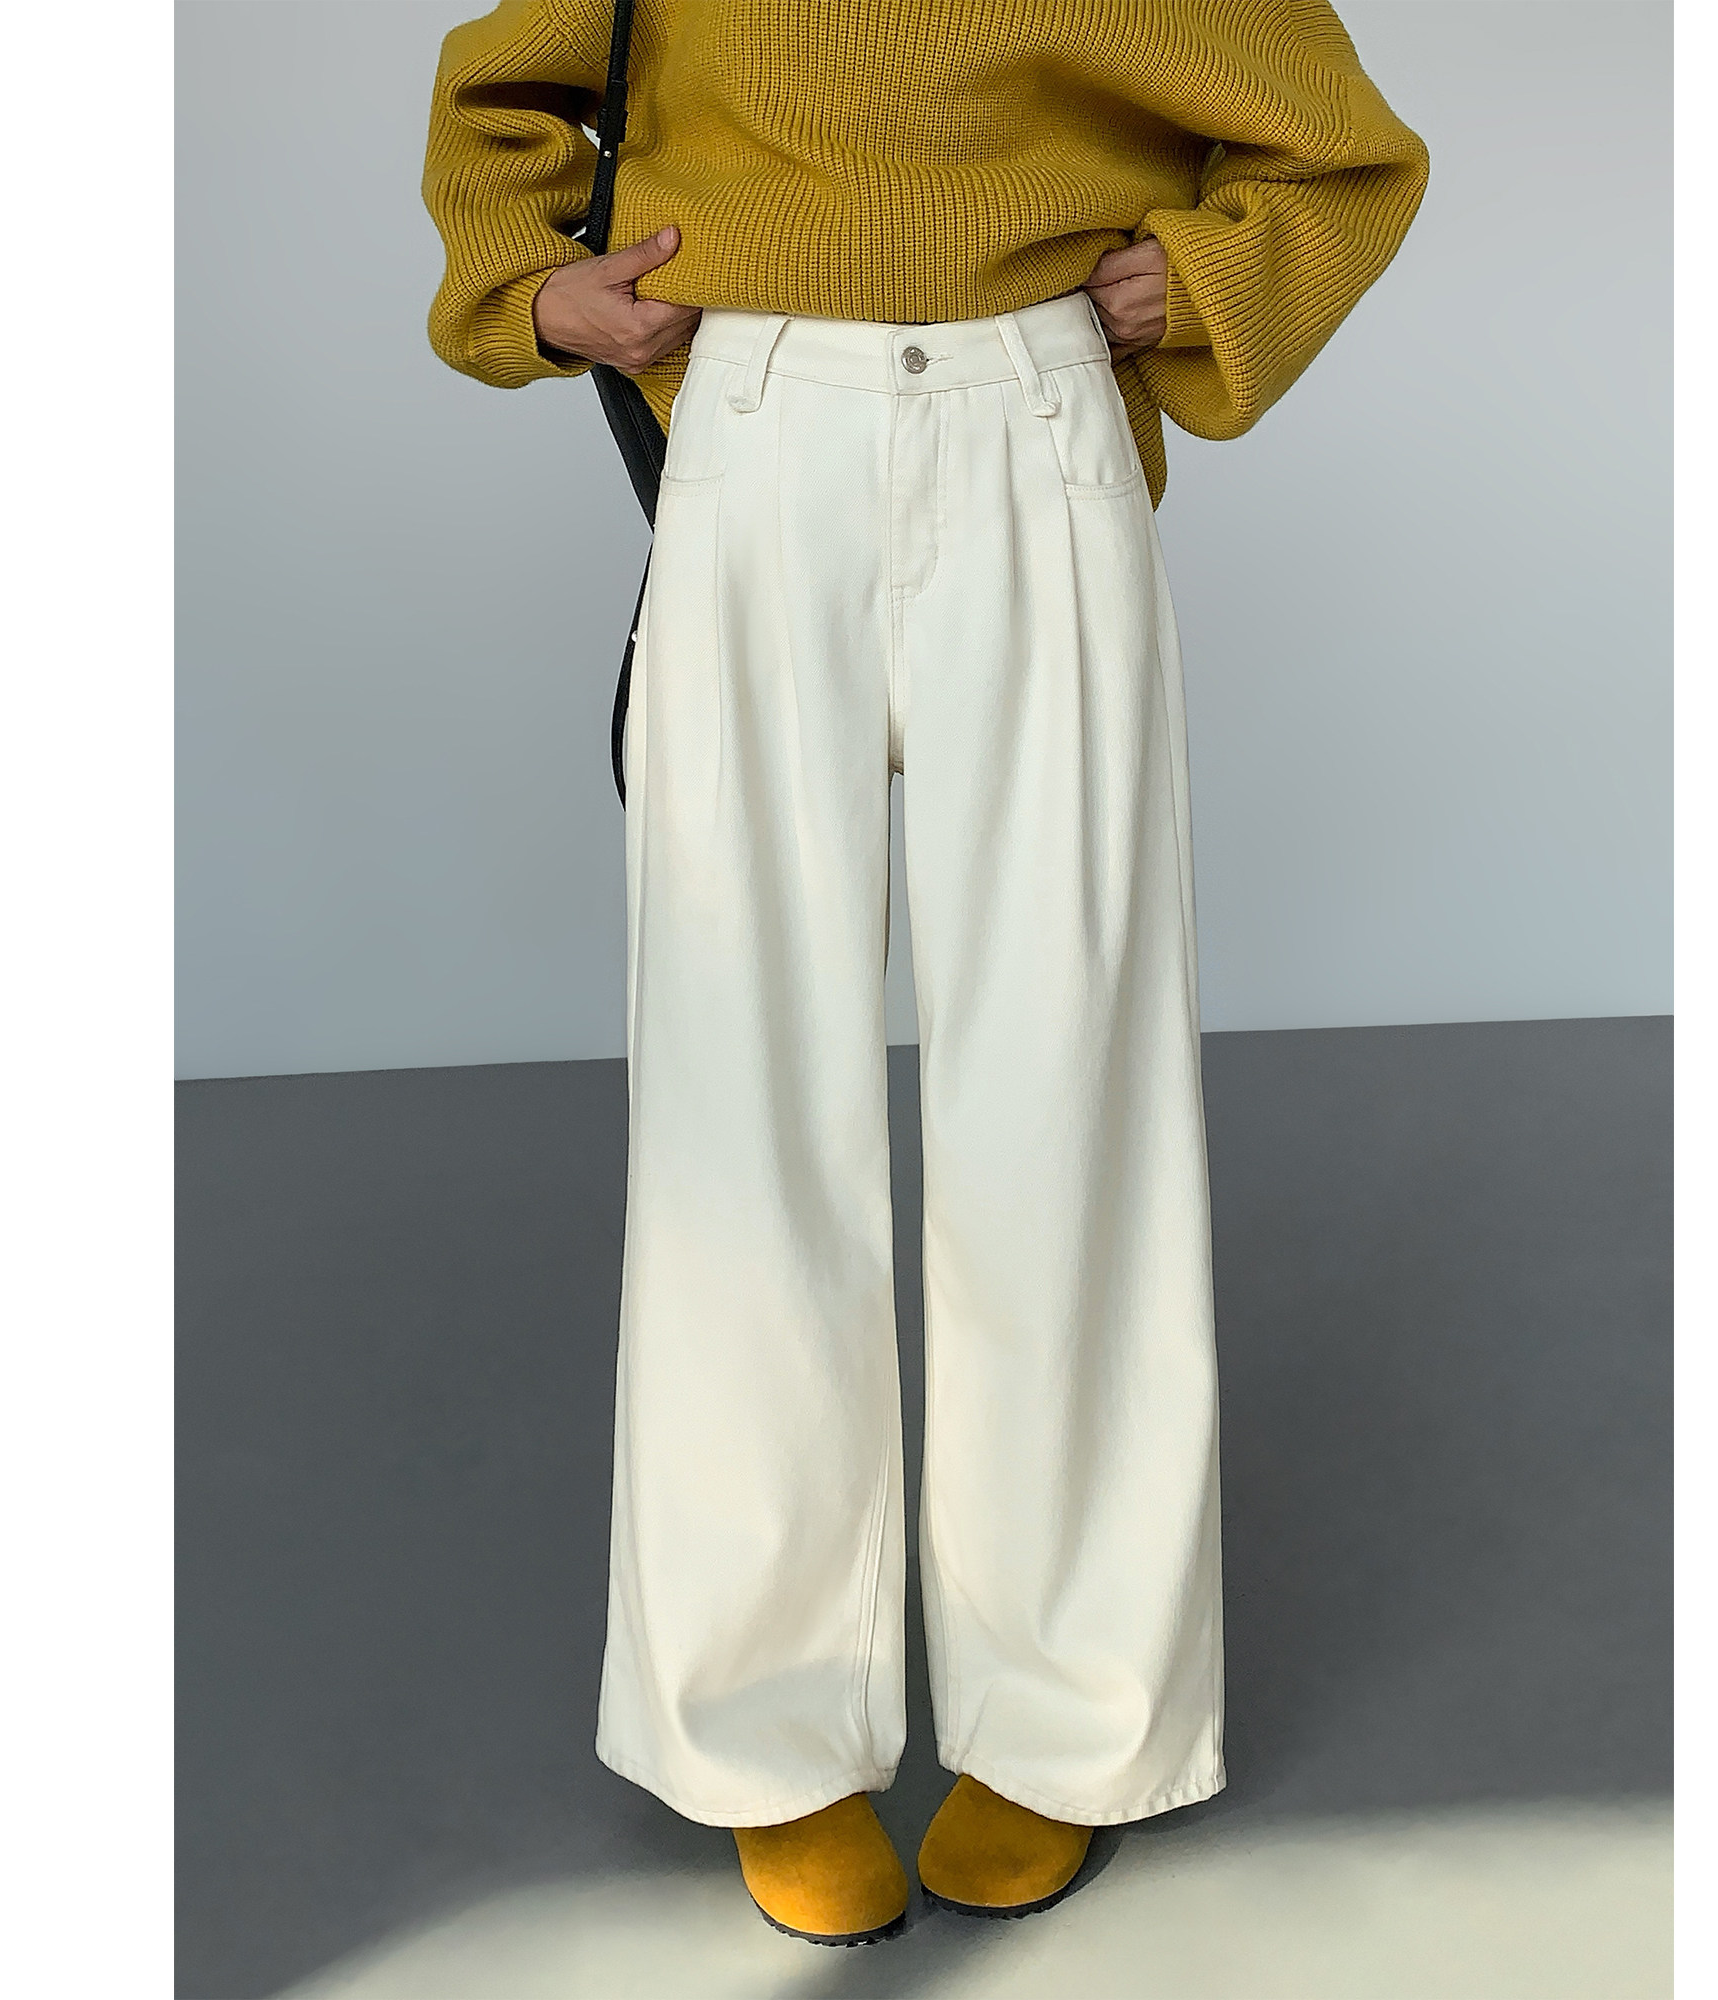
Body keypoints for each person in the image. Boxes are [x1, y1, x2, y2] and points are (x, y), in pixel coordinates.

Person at [422, 0, 1426, 1947]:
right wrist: (537, 292)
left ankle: (1071, 1720)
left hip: (1035, 410)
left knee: (1066, 1080)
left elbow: (1341, 146)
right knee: (736, 1098)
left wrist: (1212, 272)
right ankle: (760, 1725)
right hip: (753, 414)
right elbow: (502, 87)